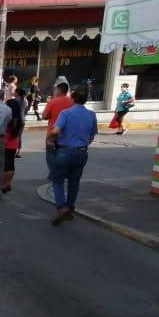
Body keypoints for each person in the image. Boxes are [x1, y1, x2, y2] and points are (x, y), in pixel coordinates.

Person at [47, 89, 98, 226]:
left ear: (73, 99)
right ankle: (70, 207)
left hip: (64, 151)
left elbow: (56, 130)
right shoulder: (91, 115)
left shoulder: (66, 113)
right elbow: (92, 136)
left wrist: (49, 137)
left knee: (57, 180)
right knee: (74, 182)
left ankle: (61, 207)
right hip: (82, 151)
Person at [2, 87, 27, 194]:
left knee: (4, 164)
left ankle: (2, 184)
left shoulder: (8, 119)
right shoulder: (20, 121)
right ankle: (8, 183)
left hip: (5, 141)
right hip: (14, 142)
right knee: (11, 163)